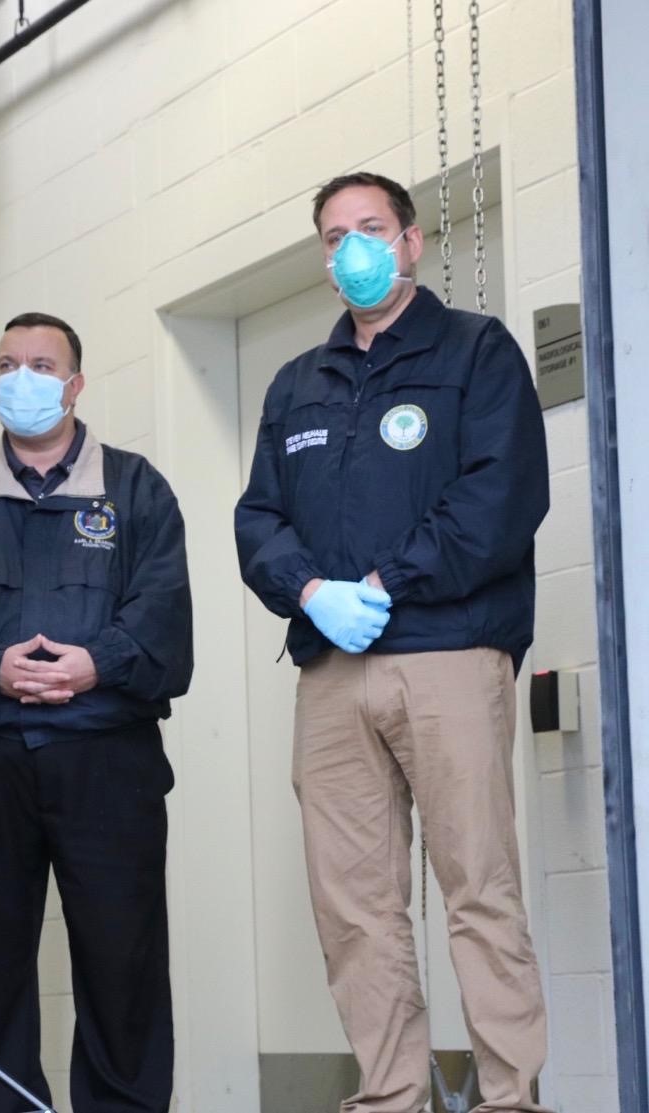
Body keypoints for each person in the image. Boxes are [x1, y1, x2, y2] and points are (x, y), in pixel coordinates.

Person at [234, 171, 551, 1113]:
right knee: (355, 909)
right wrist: (312, 590)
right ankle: (391, 1096)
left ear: (411, 242)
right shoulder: (299, 383)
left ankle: (510, 1097)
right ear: (325, 259)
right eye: (336, 236)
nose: (354, 249)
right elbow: (258, 518)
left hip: (448, 653)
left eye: (371, 228)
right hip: (332, 671)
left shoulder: (475, 353)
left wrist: (386, 582)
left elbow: (500, 498)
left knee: (478, 889)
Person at [0, 312, 192, 1113]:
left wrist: (96, 662)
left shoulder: (136, 489)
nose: (21, 378)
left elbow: (164, 616)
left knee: (121, 960)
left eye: (41, 364)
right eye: (6, 363)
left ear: (75, 383)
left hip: (109, 760)